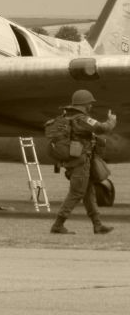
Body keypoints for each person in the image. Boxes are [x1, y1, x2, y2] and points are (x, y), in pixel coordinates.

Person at [50, 89, 117, 235]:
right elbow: (101, 128)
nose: (91, 106)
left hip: (77, 162)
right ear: (84, 104)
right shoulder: (81, 119)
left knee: (89, 195)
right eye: (89, 103)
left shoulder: (69, 117)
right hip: (80, 163)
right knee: (76, 193)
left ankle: (97, 225)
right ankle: (57, 225)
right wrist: (111, 121)